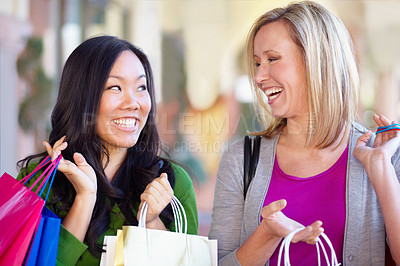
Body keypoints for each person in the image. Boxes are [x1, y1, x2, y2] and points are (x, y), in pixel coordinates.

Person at [208, 1, 400, 265]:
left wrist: (381, 169)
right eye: (257, 63)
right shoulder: (241, 158)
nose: (259, 77)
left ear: (317, 61)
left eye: (272, 59)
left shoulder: (383, 154)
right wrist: (267, 233)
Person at [18, 35, 199, 265]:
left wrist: (153, 223)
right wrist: (85, 200)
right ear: (82, 96)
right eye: (116, 87)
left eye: (141, 87)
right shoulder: (38, 182)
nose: (133, 103)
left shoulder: (171, 184)